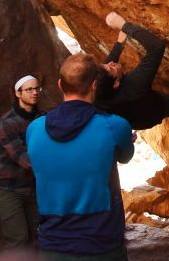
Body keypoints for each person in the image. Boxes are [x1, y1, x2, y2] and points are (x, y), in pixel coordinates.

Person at [26, 54, 135, 260]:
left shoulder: (34, 129)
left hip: (52, 244)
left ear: (60, 85)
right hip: (101, 244)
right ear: (94, 86)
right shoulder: (115, 126)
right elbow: (126, 157)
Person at [96, 11, 169, 154]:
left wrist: (119, 44)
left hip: (131, 117)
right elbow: (156, 47)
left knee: (116, 77)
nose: (111, 63)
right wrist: (124, 25)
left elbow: (104, 71)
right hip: (151, 112)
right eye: (111, 68)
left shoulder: (95, 90)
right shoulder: (134, 84)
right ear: (116, 83)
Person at [0, 75, 42, 248]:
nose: (34, 93)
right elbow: (23, 158)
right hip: (8, 188)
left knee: (39, 236)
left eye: (37, 89)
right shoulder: (7, 123)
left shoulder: (43, 119)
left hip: (33, 188)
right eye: (29, 90)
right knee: (18, 239)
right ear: (18, 93)